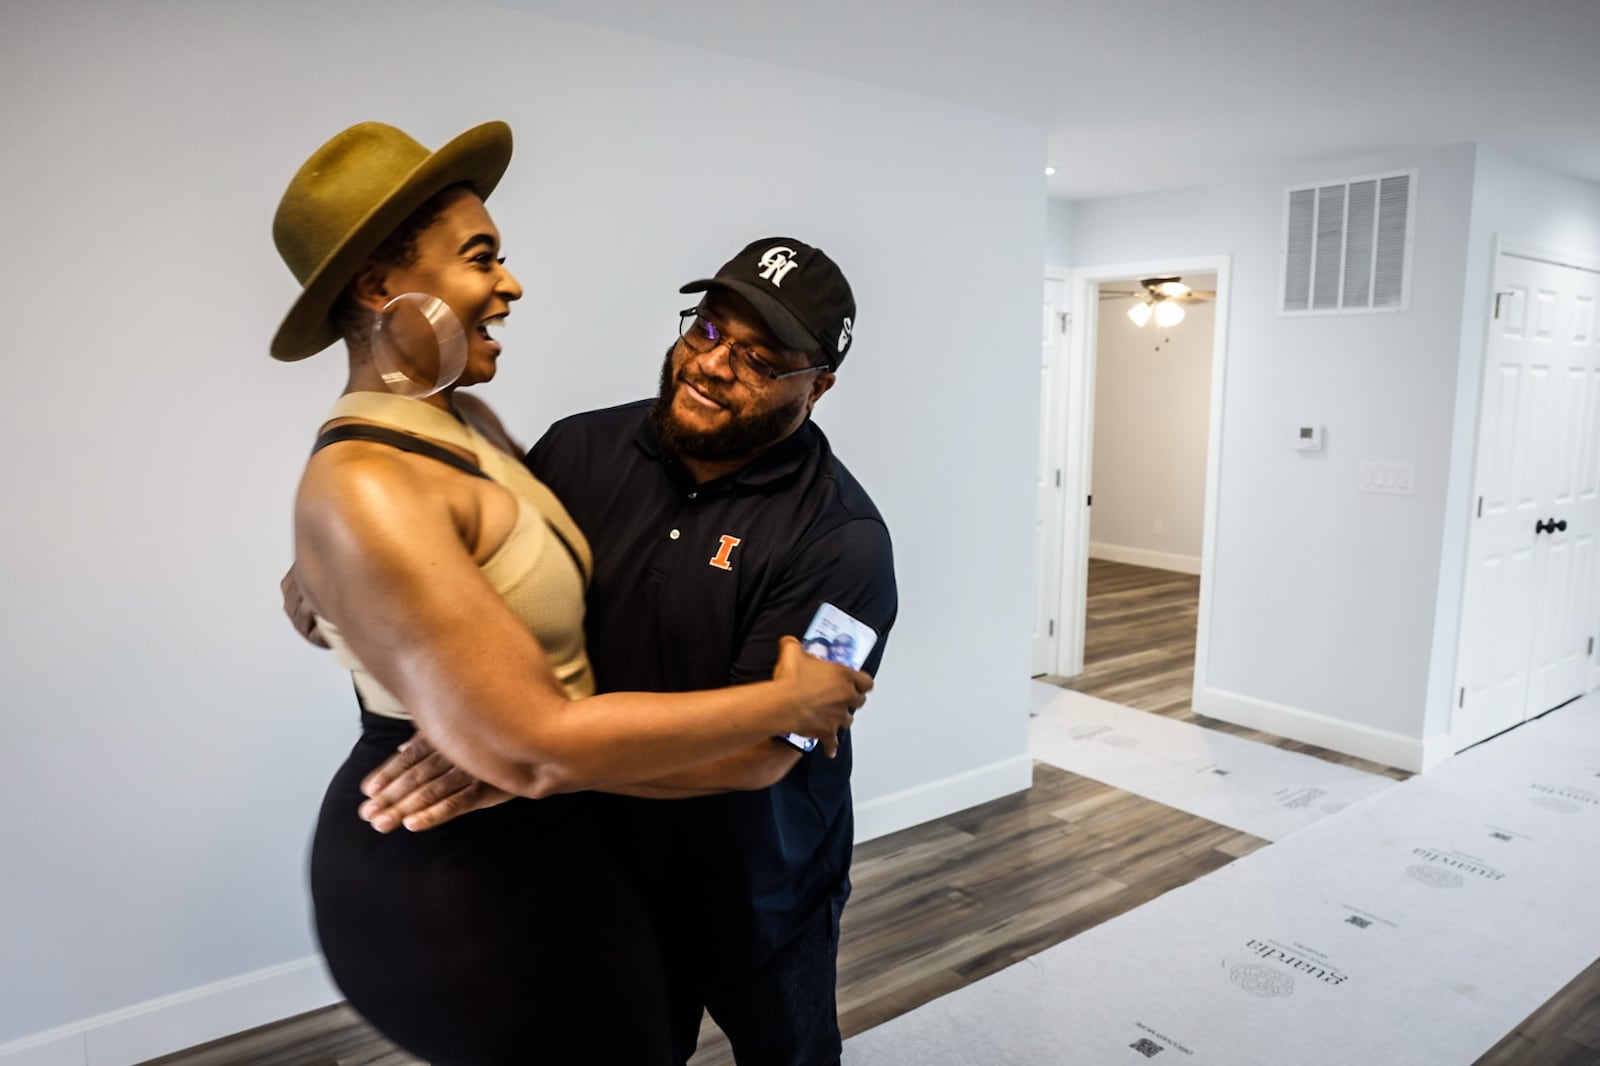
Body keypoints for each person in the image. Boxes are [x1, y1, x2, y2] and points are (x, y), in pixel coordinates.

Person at [272, 120, 871, 1066]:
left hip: (760, 885)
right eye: (710, 328)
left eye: (761, 358)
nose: (715, 363)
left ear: (820, 385)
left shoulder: (847, 543)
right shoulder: (576, 448)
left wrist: (513, 755)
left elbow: (774, 746)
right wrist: (327, 565)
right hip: (599, 864)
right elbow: (470, 560)